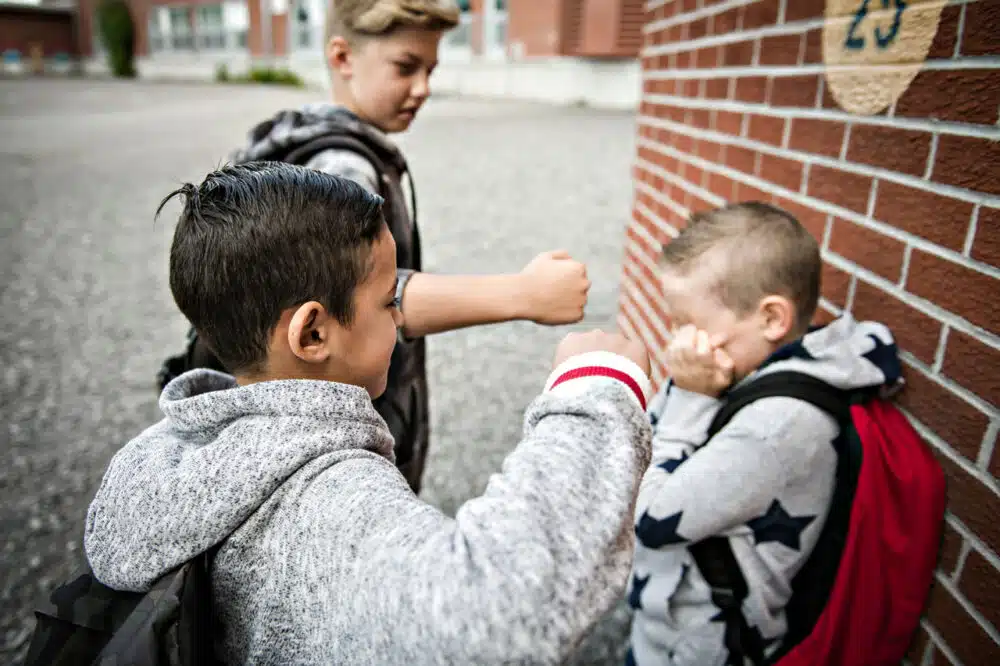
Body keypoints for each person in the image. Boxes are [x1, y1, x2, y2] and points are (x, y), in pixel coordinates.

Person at [88, 162, 654, 664]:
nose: (400, 321)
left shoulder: (157, 454)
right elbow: (496, 617)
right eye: (390, 302)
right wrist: (594, 391)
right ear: (312, 332)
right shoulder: (330, 503)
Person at [160, 0, 590, 495]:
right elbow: (356, 290)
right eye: (405, 67)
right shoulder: (341, 164)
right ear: (342, 57)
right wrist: (524, 294)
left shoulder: (309, 138)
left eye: (430, 69)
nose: (423, 88)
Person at [626, 202, 902, 665]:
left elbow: (649, 518)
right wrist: (687, 388)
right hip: (664, 621)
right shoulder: (737, 369)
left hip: (707, 648)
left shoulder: (780, 425)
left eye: (686, 323)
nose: (674, 341)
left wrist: (690, 396)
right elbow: (645, 443)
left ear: (772, 318)